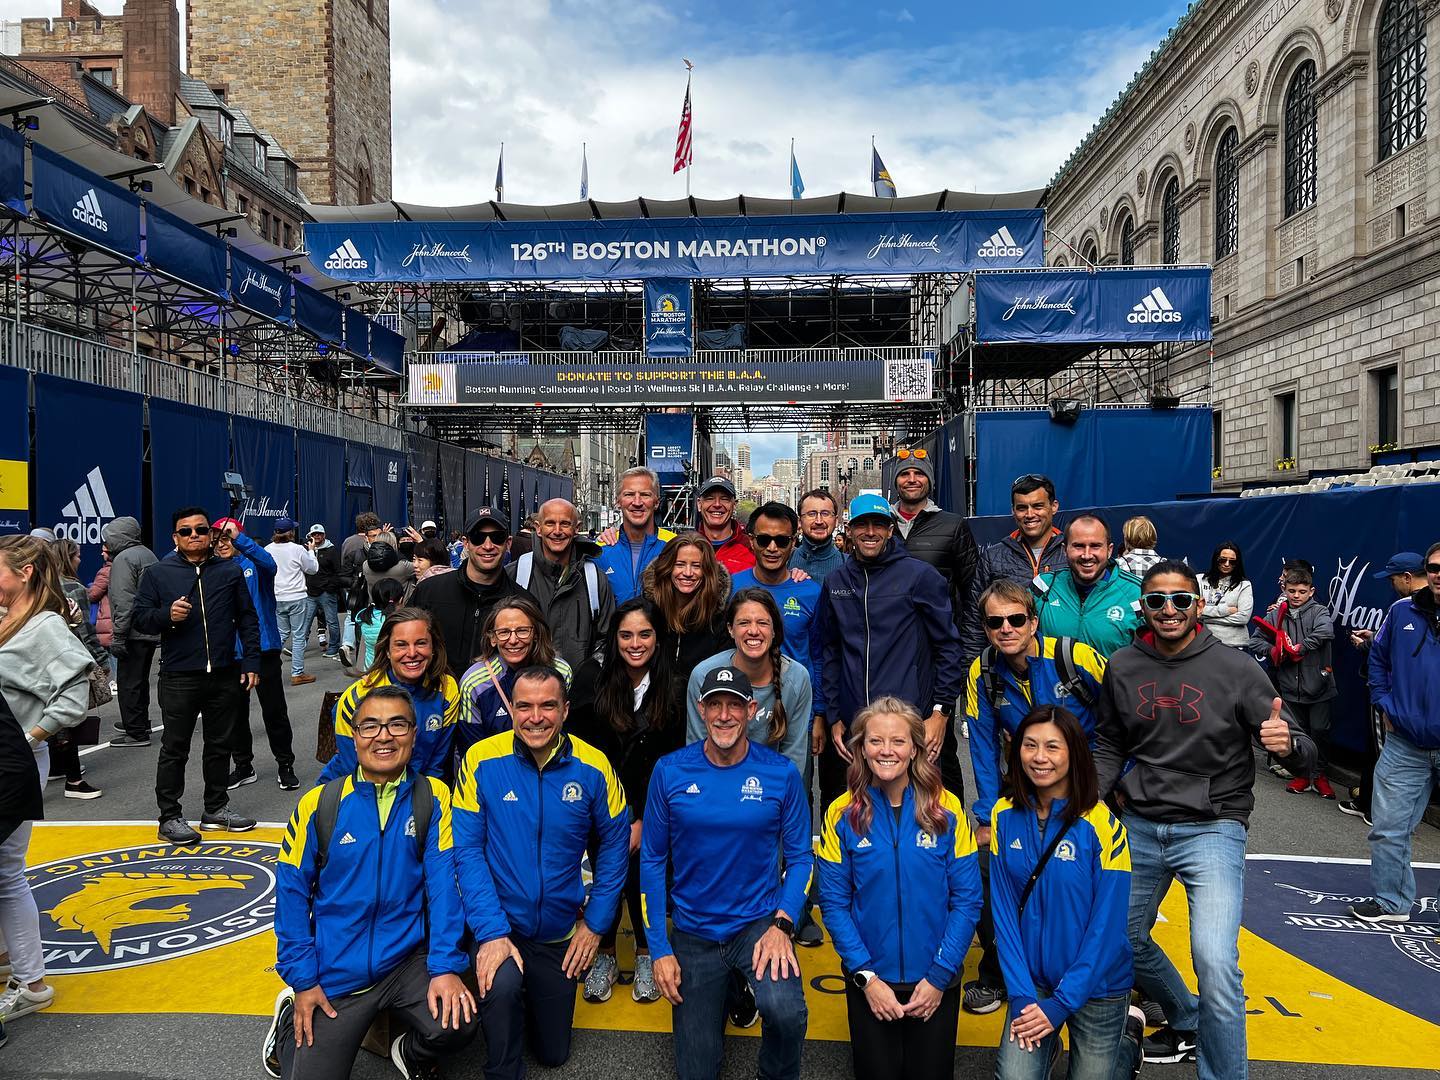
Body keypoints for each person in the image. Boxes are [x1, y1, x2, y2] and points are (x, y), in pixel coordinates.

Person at [1094, 560, 1314, 1075]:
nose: (1168, 609)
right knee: (1117, 937)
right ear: (1142, 607)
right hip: (1140, 825)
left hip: (1214, 827)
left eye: (1179, 599)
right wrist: (1090, 799)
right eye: (1156, 601)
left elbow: (1304, 747)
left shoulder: (1236, 668)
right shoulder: (1124, 665)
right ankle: (1185, 1015)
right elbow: (1109, 742)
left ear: (1198, 604)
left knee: (1215, 964)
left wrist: (1287, 748)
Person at [266, 685, 477, 1080]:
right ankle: (285, 1026)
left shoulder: (434, 796)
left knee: (458, 1022)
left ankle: (409, 1051)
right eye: (371, 726)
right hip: (336, 971)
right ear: (354, 735)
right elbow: (291, 895)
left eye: (398, 724)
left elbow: (445, 888)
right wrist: (304, 980)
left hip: (405, 960)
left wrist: (447, 966)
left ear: (414, 734)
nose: (384, 736)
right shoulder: (320, 803)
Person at [453, 666, 629, 1080]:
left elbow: (617, 844)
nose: (536, 717)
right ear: (511, 709)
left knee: (553, 1054)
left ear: (565, 710)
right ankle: (502, 1064)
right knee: (503, 986)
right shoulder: (480, 759)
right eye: (524, 706)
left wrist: (596, 925)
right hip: (502, 926)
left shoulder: (594, 764)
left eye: (548, 705)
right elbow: (467, 851)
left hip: (558, 932)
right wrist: (492, 933)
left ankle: (522, 998)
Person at [640, 666, 812, 1080]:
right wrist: (660, 949)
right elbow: (650, 861)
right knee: (696, 1073)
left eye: (734, 704)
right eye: (714, 704)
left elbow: (803, 859)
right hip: (694, 931)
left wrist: (782, 925)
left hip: (757, 926)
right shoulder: (669, 771)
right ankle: (731, 989)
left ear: (750, 710)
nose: (723, 715)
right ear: (701, 709)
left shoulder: (781, 773)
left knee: (787, 1013)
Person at [961, 578, 1107, 1017]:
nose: (1006, 628)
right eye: (995, 622)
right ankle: (1001, 974)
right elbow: (982, 747)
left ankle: (1123, 979)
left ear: (1033, 621)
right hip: (1023, 790)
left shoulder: (1074, 658)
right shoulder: (982, 671)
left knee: (1091, 888)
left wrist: (1111, 791)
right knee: (989, 872)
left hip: (1089, 791)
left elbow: (1122, 720)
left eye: (1016, 619)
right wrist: (987, 816)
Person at [817, 697, 982, 1080]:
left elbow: (968, 901)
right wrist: (867, 979)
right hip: (872, 984)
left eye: (898, 741)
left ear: (915, 749)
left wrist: (940, 976)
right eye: (875, 741)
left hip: (936, 983)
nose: (886, 751)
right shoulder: (841, 813)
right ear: (860, 747)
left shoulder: (948, 810)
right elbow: (834, 904)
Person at [990, 705, 1142, 1080]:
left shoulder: (1102, 825)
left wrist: (1061, 1005)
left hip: (1098, 988)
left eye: (1052, 747)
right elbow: (1004, 914)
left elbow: (1106, 930)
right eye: (1030, 745)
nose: (1040, 757)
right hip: (1034, 984)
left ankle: (1126, 1045)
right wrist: (1023, 996)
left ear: (1074, 753)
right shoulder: (1002, 815)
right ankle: (1049, 1044)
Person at [566, 598, 686, 1006]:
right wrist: (611, 814)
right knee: (602, 874)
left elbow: (670, 760)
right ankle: (603, 954)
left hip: (652, 803)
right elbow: (582, 752)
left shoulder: (675, 686)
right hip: (600, 804)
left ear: (658, 638)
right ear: (614, 638)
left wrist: (643, 817)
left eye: (645, 634)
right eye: (626, 635)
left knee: (643, 875)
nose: (635, 643)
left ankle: (647, 952)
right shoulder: (591, 679)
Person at [816, 494, 965, 807]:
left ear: (890, 529)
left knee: (919, 814)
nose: (870, 531)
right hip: (856, 726)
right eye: (862, 524)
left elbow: (949, 647)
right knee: (859, 818)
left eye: (879, 524)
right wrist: (833, 716)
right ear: (850, 529)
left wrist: (941, 712)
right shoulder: (836, 582)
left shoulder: (920, 576)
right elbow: (830, 651)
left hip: (910, 725)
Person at [0, 535, 95, 1023]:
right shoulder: (9, 619)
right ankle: (10, 958)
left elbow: (75, 693)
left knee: (6, 872)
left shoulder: (44, 626)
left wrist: (31, 737)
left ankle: (31, 983)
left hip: (12, 761)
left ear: (25, 573)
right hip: (8, 756)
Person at [133, 507, 262, 843]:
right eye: (186, 531)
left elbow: (248, 619)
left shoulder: (229, 571)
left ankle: (216, 808)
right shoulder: (158, 574)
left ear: (210, 535)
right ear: (175, 538)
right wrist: (167, 615)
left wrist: (251, 662)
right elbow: (140, 619)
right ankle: (169, 817)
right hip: (179, 675)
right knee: (175, 747)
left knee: (220, 744)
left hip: (224, 673)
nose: (194, 536)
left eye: (201, 530)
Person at [1351, 541, 1440, 925]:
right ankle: (1391, 901)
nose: (1438, 575)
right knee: (1387, 828)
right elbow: (1379, 659)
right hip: (1406, 742)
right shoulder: (1402, 610)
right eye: (1434, 567)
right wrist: (1385, 703)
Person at [318, 606, 459, 784]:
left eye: (421, 643)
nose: (412, 653)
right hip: (357, 792)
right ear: (387, 650)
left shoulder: (447, 688)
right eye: (401, 645)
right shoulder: (356, 698)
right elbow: (353, 770)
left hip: (418, 791)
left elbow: (436, 763)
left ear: (434, 648)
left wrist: (425, 801)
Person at [687, 588, 812, 777]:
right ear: (730, 629)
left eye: (762, 623)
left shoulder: (796, 678)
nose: (753, 631)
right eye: (744, 623)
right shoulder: (704, 675)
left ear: (774, 630)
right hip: (715, 782)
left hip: (772, 785)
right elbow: (696, 752)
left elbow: (793, 756)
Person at [212, 519, 298, 792]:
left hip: (264, 650)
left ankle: (285, 765)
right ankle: (243, 766)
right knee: (235, 715)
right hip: (232, 655)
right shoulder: (213, 570)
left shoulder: (256, 566)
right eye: (218, 540)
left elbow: (269, 564)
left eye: (228, 539)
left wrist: (240, 539)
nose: (223, 545)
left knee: (274, 712)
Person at [1341, 552, 1426, 822]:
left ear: (1407, 578)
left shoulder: (1404, 606)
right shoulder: (1411, 608)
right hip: (1412, 698)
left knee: (1385, 752)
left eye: (1393, 580)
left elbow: (1388, 652)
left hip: (1396, 695)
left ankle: (1375, 810)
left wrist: (1367, 644)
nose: (1392, 585)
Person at [412, 507, 534, 680]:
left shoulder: (524, 603)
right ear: (466, 543)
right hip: (436, 702)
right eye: (478, 538)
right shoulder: (429, 591)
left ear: (508, 543)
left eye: (497, 537)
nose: (488, 546)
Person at [1250, 562, 1337, 798]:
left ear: (1311, 591)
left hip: (1318, 685)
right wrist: (1275, 651)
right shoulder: (1275, 613)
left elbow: (1325, 632)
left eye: (1301, 591)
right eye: (1292, 591)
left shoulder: (1319, 611)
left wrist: (1298, 648)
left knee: (1319, 731)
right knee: (1297, 734)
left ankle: (1319, 775)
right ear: (1285, 590)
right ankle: (1303, 775)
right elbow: (1254, 641)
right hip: (1289, 686)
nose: (1296, 596)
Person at [889, 447, 982, 661]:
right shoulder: (880, 525)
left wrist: (966, 649)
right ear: (896, 482)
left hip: (938, 647)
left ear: (929, 481)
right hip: (890, 646)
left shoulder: (953, 525)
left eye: (919, 473)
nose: (912, 479)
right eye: (904, 474)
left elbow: (973, 592)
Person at [456, 596, 574, 762]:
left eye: (522, 631)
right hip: (495, 773)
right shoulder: (475, 683)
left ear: (536, 633)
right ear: (492, 638)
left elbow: (564, 736)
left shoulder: (561, 672)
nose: (513, 640)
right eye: (503, 632)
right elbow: (471, 750)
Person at [507, 498, 615, 672]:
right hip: (529, 692)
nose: (557, 531)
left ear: (576, 529)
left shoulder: (594, 579)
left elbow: (606, 638)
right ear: (538, 528)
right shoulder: (515, 574)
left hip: (580, 693)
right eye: (550, 523)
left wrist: (588, 680)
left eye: (564, 524)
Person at [963, 474, 1067, 650]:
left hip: (1061, 667)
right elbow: (975, 623)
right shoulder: (993, 557)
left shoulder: (1071, 554)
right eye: (1022, 508)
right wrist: (970, 671)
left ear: (1054, 507)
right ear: (1013, 510)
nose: (1029, 514)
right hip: (1006, 668)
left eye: (1037, 506)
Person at [731, 501, 823, 698]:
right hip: (741, 703)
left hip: (796, 706)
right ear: (751, 541)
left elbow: (819, 656)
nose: (772, 548)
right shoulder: (731, 587)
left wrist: (820, 712)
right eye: (764, 540)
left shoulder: (811, 592)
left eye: (781, 541)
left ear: (793, 542)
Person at [1034, 515, 1144, 660]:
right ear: (1064, 549)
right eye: (1078, 546)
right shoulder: (1043, 587)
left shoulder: (1135, 592)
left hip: (1113, 682)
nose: (1086, 555)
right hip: (1053, 683)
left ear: (1109, 550)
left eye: (1095, 546)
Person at [0, 690, 43, 1045]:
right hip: (14, 773)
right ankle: (22, 972)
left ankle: (31, 984)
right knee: (9, 878)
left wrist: (40, 732)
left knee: (9, 877)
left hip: (8, 780)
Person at [51, 538, 108, 799]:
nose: (80, 559)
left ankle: (56, 766)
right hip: (70, 662)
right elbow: (85, 631)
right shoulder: (73, 589)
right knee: (72, 716)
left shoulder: (40, 588)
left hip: (45, 663)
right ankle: (73, 779)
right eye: (78, 555)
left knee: (51, 717)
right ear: (68, 558)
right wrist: (101, 662)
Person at [641, 533, 732, 685]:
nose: (688, 573)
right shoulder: (648, 613)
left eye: (697, 566)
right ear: (668, 567)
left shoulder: (720, 620)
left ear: (707, 571)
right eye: (680, 564)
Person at [102, 516, 161, 747]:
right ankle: (139, 722)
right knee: (140, 680)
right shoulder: (147, 554)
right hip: (149, 628)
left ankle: (135, 731)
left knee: (128, 682)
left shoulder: (124, 559)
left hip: (133, 631)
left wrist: (118, 636)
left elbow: (123, 601)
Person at [595, 467, 677, 604]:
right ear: (618, 501)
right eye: (629, 494)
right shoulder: (599, 550)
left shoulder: (674, 546)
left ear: (656, 502)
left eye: (645, 495)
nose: (637, 502)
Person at [265, 518, 319, 685]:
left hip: (277, 596)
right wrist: (311, 551)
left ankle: (265, 667)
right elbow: (313, 569)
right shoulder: (297, 549)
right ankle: (297, 673)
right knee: (299, 635)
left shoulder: (267, 549)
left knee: (281, 634)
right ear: (291, 533)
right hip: (296, 597)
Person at [337, 511, 382, 668]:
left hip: (379, 600)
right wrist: (358, 582)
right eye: (373, 535)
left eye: (379, 535)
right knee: (359, 630)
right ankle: (360, 665)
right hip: (361, 598)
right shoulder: (356, 554)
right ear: (366, 536)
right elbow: (342, 576)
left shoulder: (347, 542)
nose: (376, 538)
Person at [1197, 542, 1254, 648]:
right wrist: (1226, 610)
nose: (1227, 564)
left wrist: (1205, 618)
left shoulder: (1244, 585)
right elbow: (1194, 610)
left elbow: (1243, 618)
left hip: (1235, 644)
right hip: (1204, 642)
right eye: (1223, 560)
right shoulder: (1200, 580)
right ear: (1216, 559)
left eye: (1232, 562)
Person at [303, 524, 345, 665]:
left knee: (332, 621)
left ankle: (334, 646)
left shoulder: (331, 550)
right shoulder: (306, 549)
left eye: (320, 534)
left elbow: (337, 571)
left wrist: (330, 587)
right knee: (306, 622)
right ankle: (300, 647)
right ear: (311, 536)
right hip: (310, 593)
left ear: (324, 535)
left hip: (326, 593)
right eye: (315, 534)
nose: (317, 537)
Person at [694, 476, 755, 573]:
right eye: (709, 498)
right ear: (699, 504)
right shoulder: (686, 546)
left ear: (734, 505)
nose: (717, 504)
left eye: (724, 499)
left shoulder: (752, 547)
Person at [789, 488, 845, 583]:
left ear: (836, 521)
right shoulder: (785, 562)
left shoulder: (850, 565)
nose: (819, 521)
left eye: (825, 514)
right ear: (799, 522)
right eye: (811, 514)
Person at [355, 578, 405, 673]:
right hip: (392, 672)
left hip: (371, 669)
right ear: (401, 599)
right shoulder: (397, 621)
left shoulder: (365, 617)